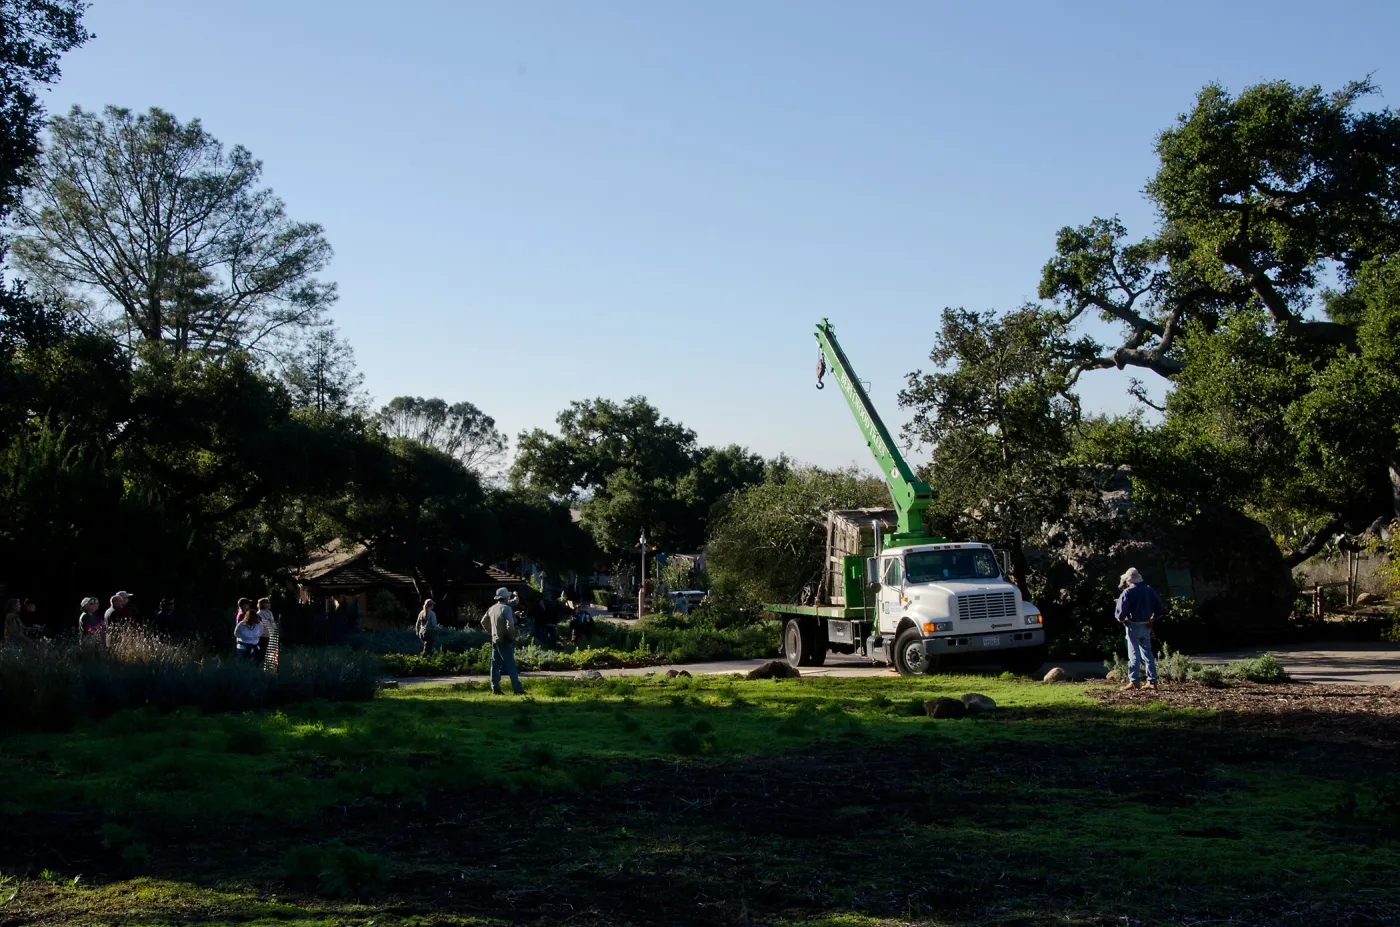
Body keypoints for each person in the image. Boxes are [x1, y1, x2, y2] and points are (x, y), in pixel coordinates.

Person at [1115, 567, 1164, 691]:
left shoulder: (1127, 592)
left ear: (1128, 580)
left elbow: (1120, 614)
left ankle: (1134, 681)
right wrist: (1152, 619)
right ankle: (1152, 681)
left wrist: (1122, 619)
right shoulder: (1149, 590)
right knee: (1148, 654)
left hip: (1133, 625)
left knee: (1134, 654)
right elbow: (1159, 607)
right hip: (1146, 624)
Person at [481, 587, 524, 695]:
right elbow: (510, 624)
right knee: (511, 664)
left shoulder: (492, 608)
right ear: (506, 597)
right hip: (505, 639)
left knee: (495, 664)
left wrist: (491, 631)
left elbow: (483, 621)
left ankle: (495, 688)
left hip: (495, 639)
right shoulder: (506, 608)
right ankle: (518, 689)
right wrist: (511, 636)